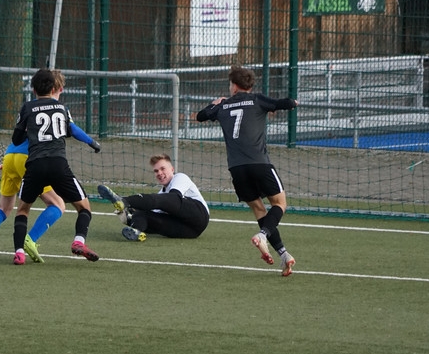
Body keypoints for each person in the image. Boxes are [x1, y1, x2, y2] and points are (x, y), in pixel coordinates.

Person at [0, 70, 101, 262]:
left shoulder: (28, 107)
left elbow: (16, 136)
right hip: (32, 158)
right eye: (61, 89)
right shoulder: (60, 108)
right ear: (56, 89)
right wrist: (92, 142)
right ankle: (31, 240)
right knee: (58, 204)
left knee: (4, 208)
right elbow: (72, 129)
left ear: (34, 88)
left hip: (10, 156)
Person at [195, 65, 298, 276]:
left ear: (234, 86)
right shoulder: (257, 100)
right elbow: (284, 103)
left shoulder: (223, 106)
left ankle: (283, 254)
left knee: (259, 210)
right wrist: (294, 103)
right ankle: (262, 235)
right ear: (249, 86)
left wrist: (214, 104)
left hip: (237, 168)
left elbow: (201, 116)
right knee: (280, 204)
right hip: (260, 164)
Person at [97, 153, 209, 241]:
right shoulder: (162, 194)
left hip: (200, 217)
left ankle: (124, 200)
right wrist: (131, 216)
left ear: (172, 169)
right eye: (156, 171)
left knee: (166, 199)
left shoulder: (180, 178)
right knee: (143, 214)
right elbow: (153, 213)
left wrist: (129, 203)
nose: (159, 173)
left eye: (162, 169)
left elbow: (174, 197)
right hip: (190, 231)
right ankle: (136, 231)